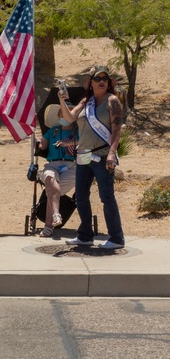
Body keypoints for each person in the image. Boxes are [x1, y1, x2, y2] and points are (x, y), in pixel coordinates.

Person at [58, 65, 125, 250]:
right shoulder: (86, 101)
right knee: (80, 196)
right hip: (85, 156)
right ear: (91, 82)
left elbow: (117, 129)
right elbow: (69, 118)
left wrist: (112, 152)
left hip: (103, 155)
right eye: (97, 78)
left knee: (106, 197)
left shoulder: (112, 101)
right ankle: (85, 235)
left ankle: (117, 238)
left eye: (105, 78)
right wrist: (62, 101)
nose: (101, 81)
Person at [34, 104, 77, 237]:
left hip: (71, 165)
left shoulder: (78, 131)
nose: (64, 117)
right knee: (49, 178)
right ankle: (55, 215)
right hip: (53, 164)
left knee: (52, 191)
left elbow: (83, 143)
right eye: (62, 114)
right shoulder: (53, 131)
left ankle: (48, 226)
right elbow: (42, 146)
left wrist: (69, 143)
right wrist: (34, 138)